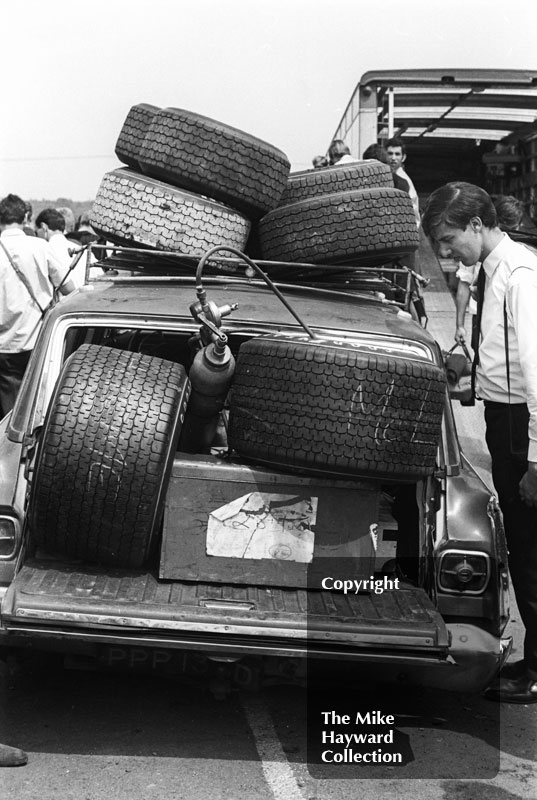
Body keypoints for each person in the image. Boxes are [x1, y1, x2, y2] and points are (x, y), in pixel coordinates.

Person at [422, 182, 537, 704]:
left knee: (530, 549)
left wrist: (535, 458)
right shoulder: (493, 271)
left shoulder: (518, 276)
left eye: (450, 239)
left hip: (521, 429)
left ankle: (533, 671)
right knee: (522, 541)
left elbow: (536, 374)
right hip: (504, 417)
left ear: (475, 224)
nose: (448, 253)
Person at [0, 194, 75, 418]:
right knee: (38, 406)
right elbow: (69, 289)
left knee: (8, 411)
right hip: (38, 341)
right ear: (25, 217)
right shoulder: (40, 247)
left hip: (4, 346)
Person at [454, 195, 525, 346]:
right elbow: (464, 285)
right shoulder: (474, 247)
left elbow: (463, 285)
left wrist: (459, 325)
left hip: (489, 318)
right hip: (484, 316)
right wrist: (459, 325)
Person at [35, 207, 87, 289]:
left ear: (43, 227)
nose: (37, 235)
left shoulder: (45, 251)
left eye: (37, 231)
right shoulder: (83, 249)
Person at [385, 137, 420, 225]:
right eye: (390, 153)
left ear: (403, 157)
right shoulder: (388, 175)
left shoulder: (404, 180)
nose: (393, 158)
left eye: (397, 154)